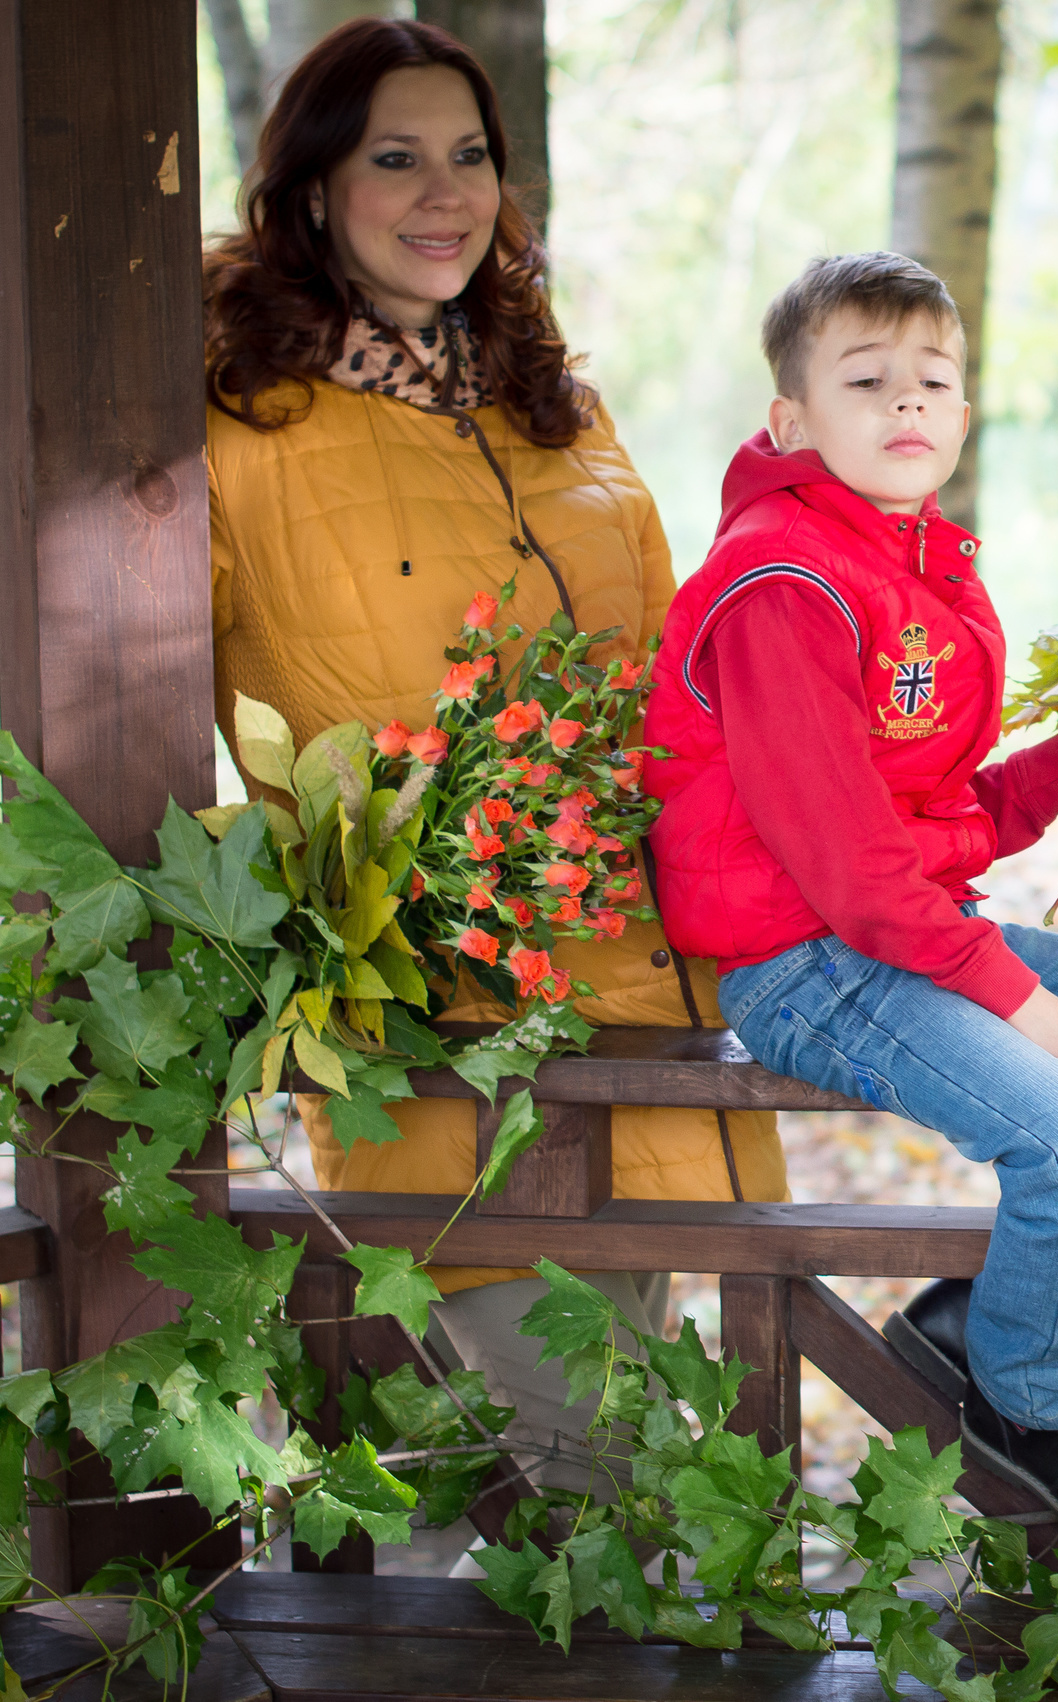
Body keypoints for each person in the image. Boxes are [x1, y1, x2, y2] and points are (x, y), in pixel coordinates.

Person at [201, 19, 786, 1496]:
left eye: (468, 155)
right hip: (444, 1041)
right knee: (618, 1495)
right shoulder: (230, 424)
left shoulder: (560, 408)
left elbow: (678, 688)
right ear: (314, 188)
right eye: (394, 157)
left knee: (497, 1528)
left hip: (658, 1012)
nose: (441, 190)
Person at [641, 253, 1058, 1546]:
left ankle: (985, 1314)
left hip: (886, 927)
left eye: (934, 380)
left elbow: (922, 821)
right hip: (802, 959)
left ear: (966, 414)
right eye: (866, 380)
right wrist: (1016, 996)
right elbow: (848, 860)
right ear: (791, 420)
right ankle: (1036, 1401)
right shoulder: (783, 584)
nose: (907, 404)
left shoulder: (915, 566)